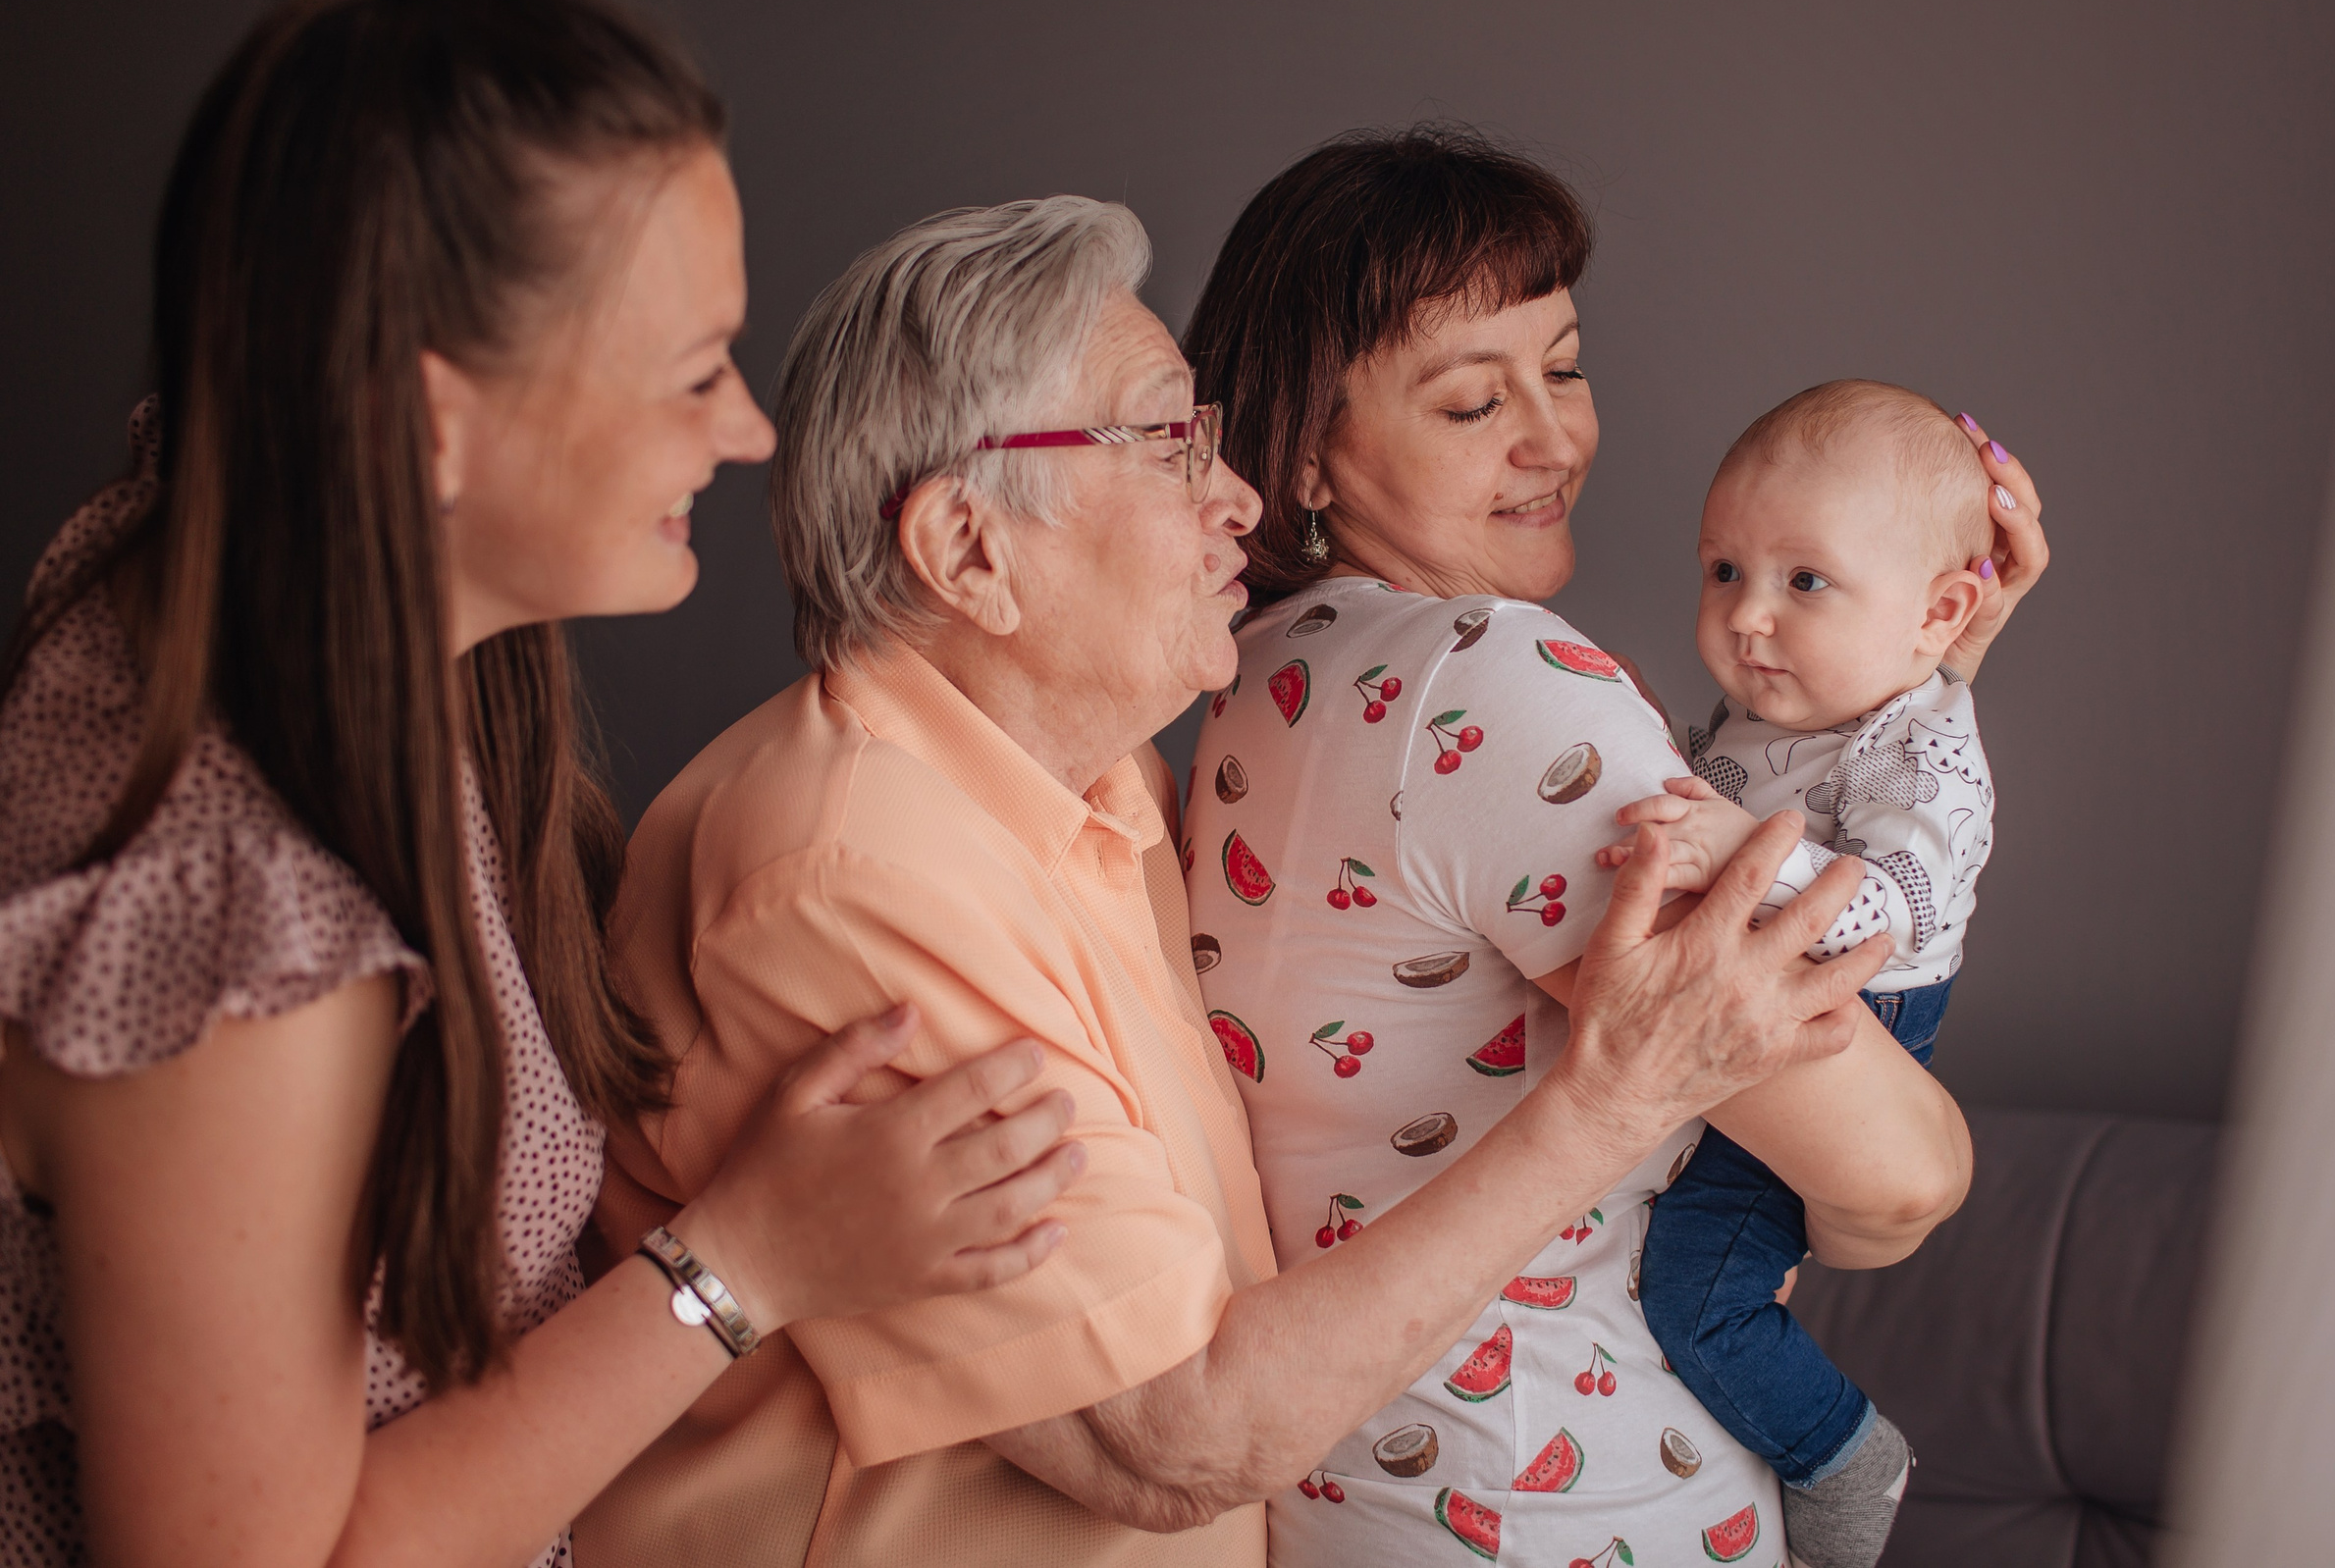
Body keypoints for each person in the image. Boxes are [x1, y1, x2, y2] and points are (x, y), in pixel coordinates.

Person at [573, 196, 1886, 1568]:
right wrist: (1618, 1098)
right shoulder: (847, 872)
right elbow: (1171, 1438)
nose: (1239, 498)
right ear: (969, 549)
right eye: (1162, 445)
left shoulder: (1108, 782)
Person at [0, 0, 1088, 1568]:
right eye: (693, 368)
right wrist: (749, 1262)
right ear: (431, 423)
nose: (749, 432)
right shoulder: (242, 955)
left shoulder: (241, 544)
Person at [1179, 128, 2048, 1568]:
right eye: (1473, 402)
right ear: (1307, 448)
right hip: (1573, 1504)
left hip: (1368, 1494)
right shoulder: (1493, 681)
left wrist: (1908, 666)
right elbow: (1895, 1173)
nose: (1554, 439)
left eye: (1563, 368)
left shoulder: (1250, 675)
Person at [1597, 378, 2015, 1567]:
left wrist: (1738, 856)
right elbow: (1709, 790)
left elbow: (1892, 905)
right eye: (1723, 571)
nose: (1747, 618)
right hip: (1764, 997)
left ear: (1939, 611)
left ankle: (1841, 1452)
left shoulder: (1924, 748)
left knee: (1697, 1291)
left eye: (1803, 581)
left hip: (1858, 1018)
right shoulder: (1774, 703)